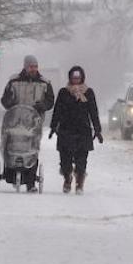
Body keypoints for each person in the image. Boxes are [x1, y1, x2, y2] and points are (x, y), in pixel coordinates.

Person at [0, 55, 54, 191]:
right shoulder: (14, 81)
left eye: (35, 66)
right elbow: (5, 98)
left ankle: (30, 182)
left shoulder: (44, 83)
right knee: (11, 145)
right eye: (31, 66)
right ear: (25, 66)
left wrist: (43, 105)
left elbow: (50, 101)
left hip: (34, 122)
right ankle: (10, 172)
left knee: (32, 149)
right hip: (15, 121)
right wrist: (9, 103)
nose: (33, 69)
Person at [49, 66, 103, 194]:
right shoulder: (63, 92)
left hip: (83, 131)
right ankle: (67, 178)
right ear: (70, 78)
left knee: (81, 161)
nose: (76, 80)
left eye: (78, 78)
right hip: (66, 130)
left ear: (82, 78)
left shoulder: (88, 92)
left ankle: (79, 183)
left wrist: (97, 129)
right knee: (65, 160)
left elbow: (93, 112)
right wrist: (53, 127)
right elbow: (57, 111)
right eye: (74, 78)